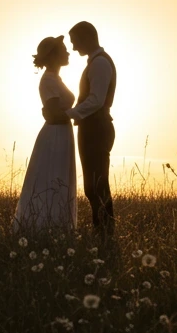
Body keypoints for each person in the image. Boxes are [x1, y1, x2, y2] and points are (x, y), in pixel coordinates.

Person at [44, 21, 116, 238]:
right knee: (92, 185)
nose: (74, 48)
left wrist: (67, 114)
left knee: (97, 184)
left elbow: (96, 100)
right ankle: (102, 232)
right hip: (91, 127)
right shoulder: (95, 63)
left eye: (75, 42)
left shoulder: (100, 64)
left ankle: (104, 234)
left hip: (97, 128)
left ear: (87, 38)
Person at [13, 35, 77, 234]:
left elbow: (56, 113)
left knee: (58, 177)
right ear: (54, 55)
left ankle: (56, 227)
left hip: (62, 132)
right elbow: (54, 114)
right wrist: (79, 113)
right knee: (52, 177)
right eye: (64, 50)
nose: (68, 53)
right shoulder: (48, 80)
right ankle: (45, 227)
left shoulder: (55, 78)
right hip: (56, 135)